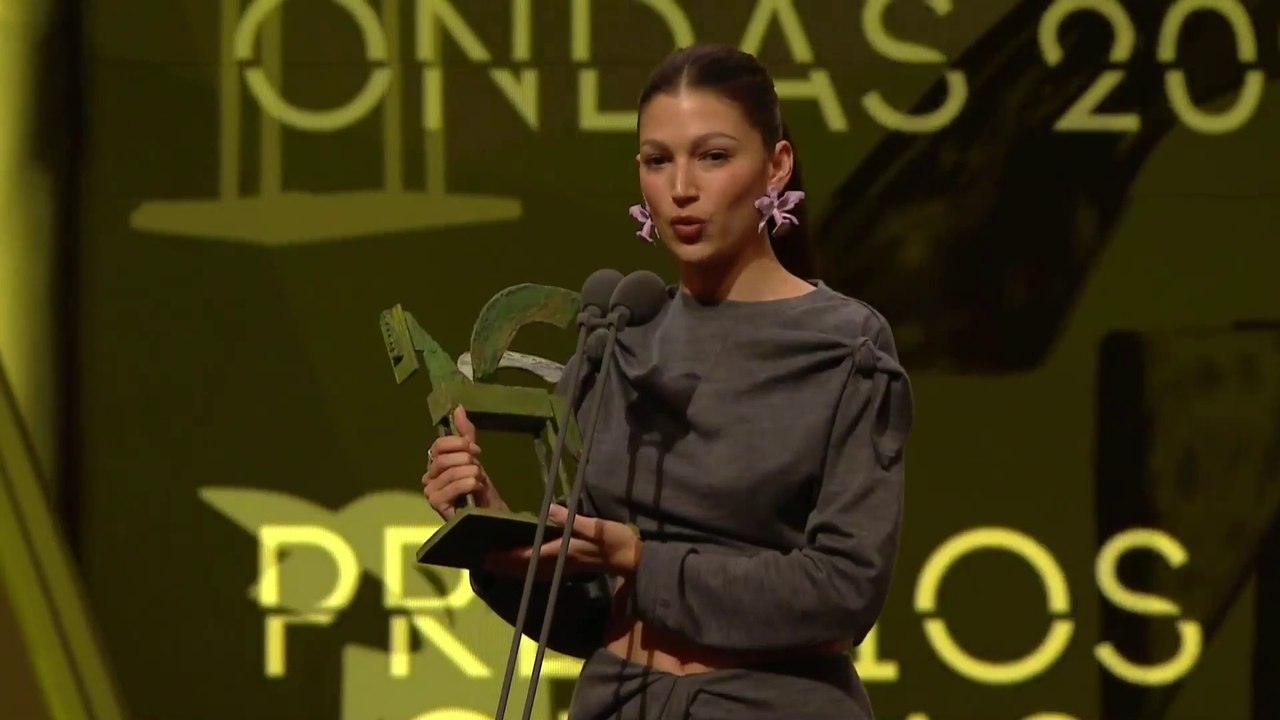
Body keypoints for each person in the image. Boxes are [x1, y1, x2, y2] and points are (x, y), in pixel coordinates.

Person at [421, 44, 914, 720]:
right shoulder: (622, 337)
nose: (682, 187)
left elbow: (843, 590)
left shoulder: (843, 345)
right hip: (618, 701)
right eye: (659, 161)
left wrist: (641, 558)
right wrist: (490, 523)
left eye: (713, 156)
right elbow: (585, 616)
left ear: (776, 165)